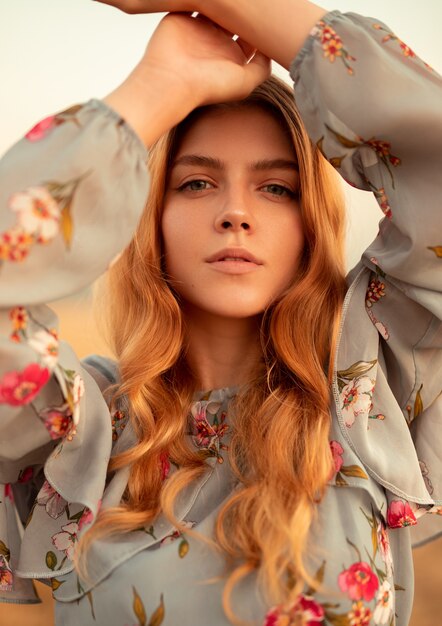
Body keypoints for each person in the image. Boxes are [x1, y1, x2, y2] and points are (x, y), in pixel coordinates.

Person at [0, 1, 441, 624]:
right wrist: (157, 90)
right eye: (197, 183)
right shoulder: (87, 435)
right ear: (151, 220)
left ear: (310, 225)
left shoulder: (371, 400)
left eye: (275, 187)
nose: (236, 212)